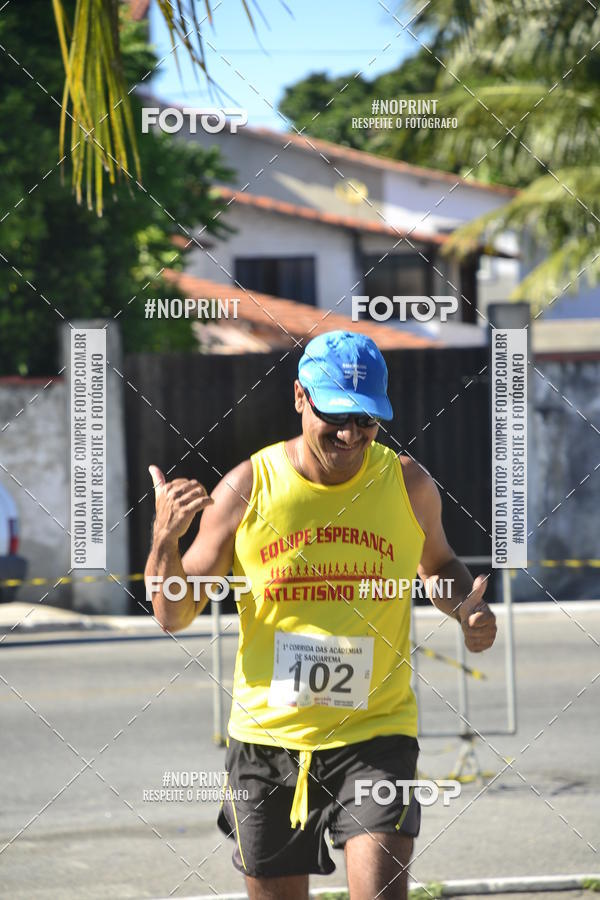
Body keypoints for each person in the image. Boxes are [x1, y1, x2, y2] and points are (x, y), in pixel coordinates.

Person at [145, 330, 497, 900]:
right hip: (268, 742)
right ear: (300, 397)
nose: (351, 433)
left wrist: (464, 608)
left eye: (367, 420)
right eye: (336, 414)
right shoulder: (247, 488)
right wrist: (165, 539)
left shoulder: (407, 484)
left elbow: (440, 565)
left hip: (376, 733)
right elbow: (173, 612)